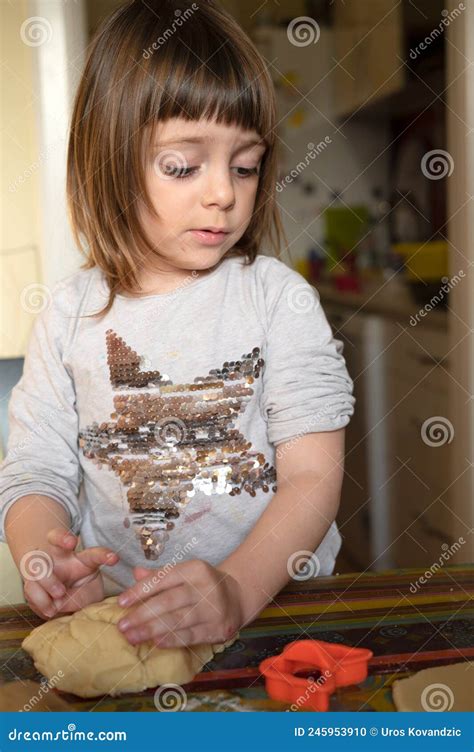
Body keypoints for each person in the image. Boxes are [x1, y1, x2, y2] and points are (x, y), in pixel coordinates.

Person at [0, 0, 355, 650]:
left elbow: (312, 479)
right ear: (108, 161)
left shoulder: (281, 301)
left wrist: (237, 591)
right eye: (183, 166)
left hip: (282, 615)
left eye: (244, 165)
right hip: (132, 623)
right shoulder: (69, 315)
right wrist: (46, 560)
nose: (223, 191)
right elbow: (35, 472)